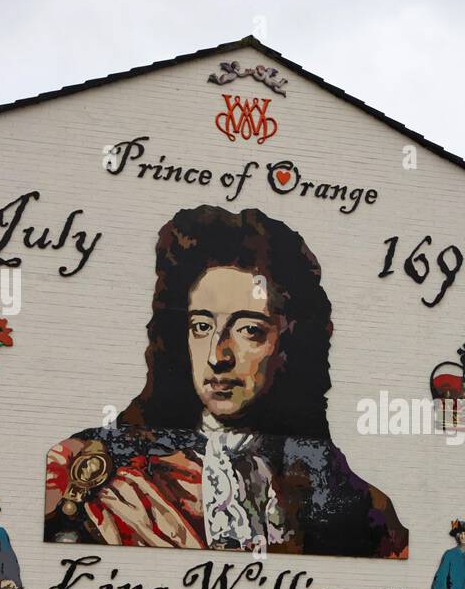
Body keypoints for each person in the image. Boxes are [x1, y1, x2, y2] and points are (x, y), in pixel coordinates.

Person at [44, 205, 408, 559]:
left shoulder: (351, 498)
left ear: (289, 344)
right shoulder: (100, 467)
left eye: (249, 330)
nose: (218, 355)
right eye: (201, 327)